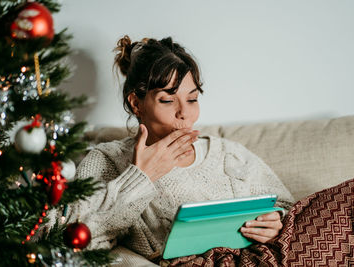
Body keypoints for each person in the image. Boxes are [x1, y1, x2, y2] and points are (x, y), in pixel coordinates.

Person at [45, 35, 294, 262]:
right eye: (167, 100)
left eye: (192, 99)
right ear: (136, 103)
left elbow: (287, 206)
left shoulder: (228, 154)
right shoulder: (108, 160)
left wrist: (275, 221)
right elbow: (67, 237)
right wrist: (141, 177)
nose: (185, 113)